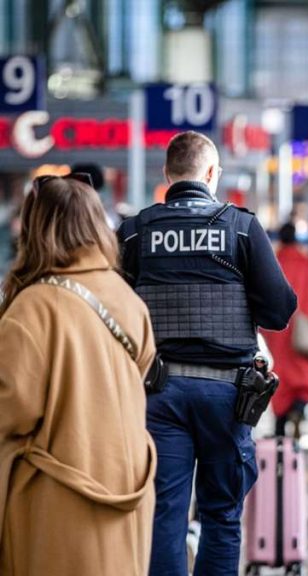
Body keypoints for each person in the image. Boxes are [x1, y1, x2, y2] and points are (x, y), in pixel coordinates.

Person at [117, 131, 297, 576]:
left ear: (167, 174)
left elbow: (115, 308)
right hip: (227, 395)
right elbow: (279, 310)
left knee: (166, 517)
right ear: (213, 173)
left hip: (159, 394)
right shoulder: (241, 227)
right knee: (221, 515)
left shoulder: (137, 229)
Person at [0, 174, 157, 574]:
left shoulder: (33, 306)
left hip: (57, 501)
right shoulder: (126, 296)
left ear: (38, 229)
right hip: (127, 491)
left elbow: (13, 407)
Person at [262, 222, 308, 438]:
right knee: (303, 376)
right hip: (305, 330)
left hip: (276, 331)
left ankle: (280, 425)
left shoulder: (270, 262)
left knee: (278, 376)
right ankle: (299, 409)